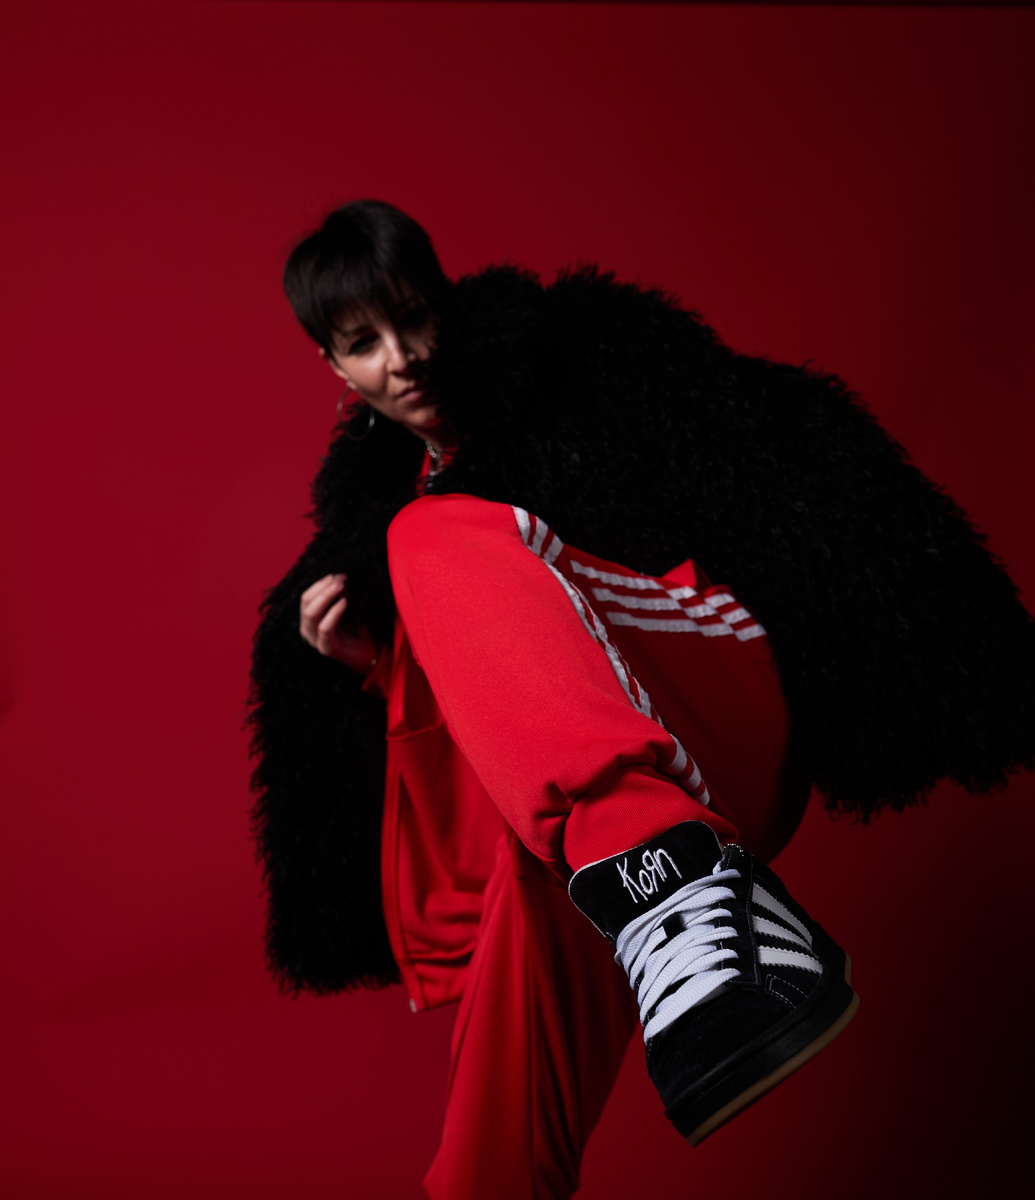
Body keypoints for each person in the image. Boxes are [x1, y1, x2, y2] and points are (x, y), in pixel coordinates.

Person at [250, 200, 1035, 1198]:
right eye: (364, 344)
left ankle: (667, 875)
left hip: (710, 687)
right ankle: (653, 890)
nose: (401, 359)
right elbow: (490, 718)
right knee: (491, 1143)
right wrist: (374, 661)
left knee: (434, 536)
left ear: (447, 305)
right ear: (333, 367)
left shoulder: (571, 371)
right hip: (572, 829)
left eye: (412, 320)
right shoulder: (379, 519)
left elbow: (758, 455)